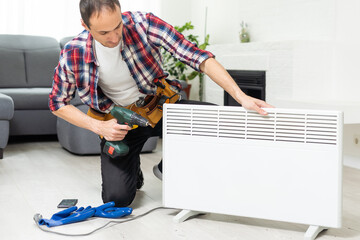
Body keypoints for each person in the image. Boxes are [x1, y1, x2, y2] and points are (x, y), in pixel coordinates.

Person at [49, 0, 273, 207]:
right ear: (85, 25)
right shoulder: (73, 52)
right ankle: (132, 166)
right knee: (117, 199)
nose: (115, 37)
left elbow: (198, 57)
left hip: (160, 108)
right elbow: (58, 102)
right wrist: (98, 127)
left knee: (215, 119)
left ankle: (169, 166)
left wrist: (240, 96)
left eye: (117, 26)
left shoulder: (143, 24)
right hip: (122, 125)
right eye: (104, 32)